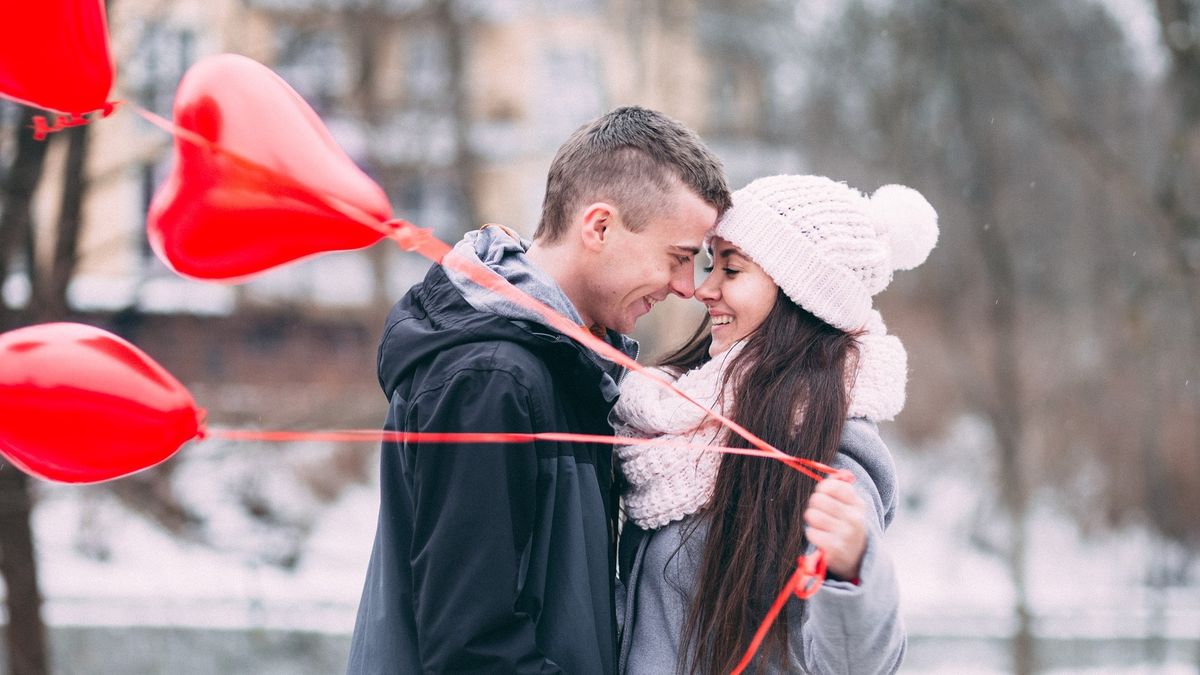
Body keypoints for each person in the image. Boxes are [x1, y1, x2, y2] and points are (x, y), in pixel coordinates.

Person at [347, 106, 731, 674]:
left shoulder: (566, 367)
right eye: (678, 258)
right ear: (599, 227)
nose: (686, 287)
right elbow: (470, 649)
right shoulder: (492, 378)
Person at [614, 175, 938, 674]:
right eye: (709, 263)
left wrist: (851, 571)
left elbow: (859, 667)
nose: (704, 288)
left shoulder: (830, 448)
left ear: (799, 294)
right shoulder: (671, 426)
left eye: (732, 269)